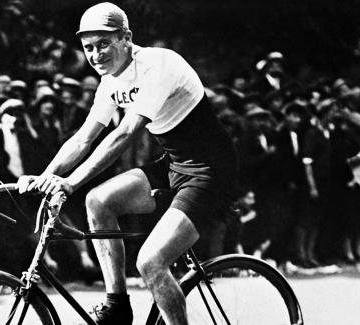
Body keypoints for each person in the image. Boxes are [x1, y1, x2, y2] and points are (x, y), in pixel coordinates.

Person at [17, 3, 238, 325]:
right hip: (174, 163)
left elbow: (125, 133)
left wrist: (71, 183)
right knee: (98, 201)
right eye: (88, 48)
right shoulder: (110, 83)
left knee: (151, 263)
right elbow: (83, 139)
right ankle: (117, 304)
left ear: (126, 37)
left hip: (210, 170)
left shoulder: (158, 64)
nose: (96, 55)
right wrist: (46, 176)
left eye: (104, 44)